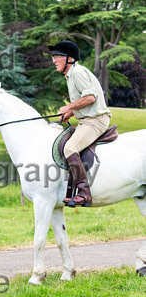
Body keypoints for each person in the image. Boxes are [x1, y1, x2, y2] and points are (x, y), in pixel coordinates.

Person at [49, 40, 111, 207]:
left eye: (57, 57)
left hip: (96, 121)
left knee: (70, 148)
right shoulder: (71, 74)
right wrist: (71, 112)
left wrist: (68, 106)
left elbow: (91, 98)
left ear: (69, 58)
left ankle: (84, 193)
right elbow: (85, 101)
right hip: (87, 119)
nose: (54, 60)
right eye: (53, 57)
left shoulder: (77, 73)